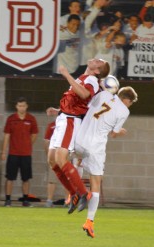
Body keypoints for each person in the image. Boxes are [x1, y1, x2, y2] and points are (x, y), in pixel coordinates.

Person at [47, 58, 110, 214]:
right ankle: (74, 193)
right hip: (64, 117)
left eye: (99, 62)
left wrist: (66, 74)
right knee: (52, 160)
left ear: (97, 71)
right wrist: (59, 110)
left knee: (61, 158)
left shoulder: (92, 79)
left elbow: (83, 94)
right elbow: (81, 102)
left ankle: (83, 193)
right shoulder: (84, 78)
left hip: (71, 121)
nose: (95, 59)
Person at [75, 86, 138, 238]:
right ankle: (89, 222)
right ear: (126, 100)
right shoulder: (124, 110)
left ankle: (76, 192)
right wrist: (120, 131)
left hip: (80, 139)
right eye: (130, 103)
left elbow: (87, 109)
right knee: (96, 182)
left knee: (77, 161)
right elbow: (114, 134)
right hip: (96, 146)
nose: (129, 105)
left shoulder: (103, 94)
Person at [1, 97, 38, 207]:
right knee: (10, 178)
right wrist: (3, 151)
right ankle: (8, 200)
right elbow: (7, 136)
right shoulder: (11, 119)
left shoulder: (31, 119)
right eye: (19, 106)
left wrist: (27, 144)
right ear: (16, 106)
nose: (21, 108)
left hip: (26, 154)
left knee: (26, 178)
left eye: (23, 106)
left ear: (26, 106)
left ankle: (25, 200)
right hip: (13, 153)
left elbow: (34, 134)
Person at [43, 119, 70, 208]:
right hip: (54, 156)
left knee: (67, 179)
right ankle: (49, 200)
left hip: (65, 156)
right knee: (52, 179)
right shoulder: (52, 125)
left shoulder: (70, 125)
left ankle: (67, 200)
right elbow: (46, 141)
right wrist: (49, 155)